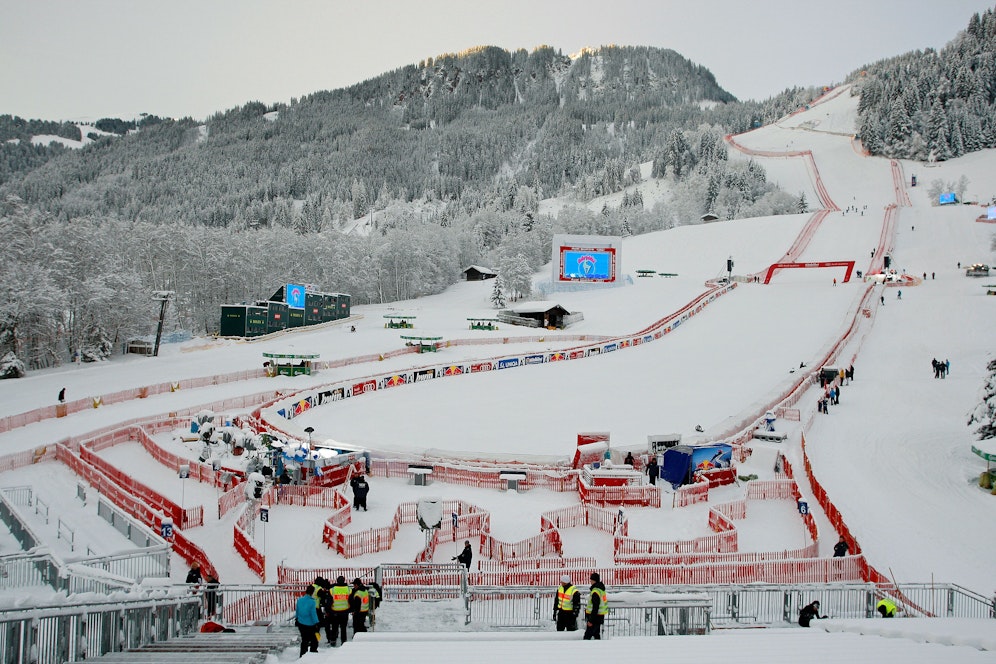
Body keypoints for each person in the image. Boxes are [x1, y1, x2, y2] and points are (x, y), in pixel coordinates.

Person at [295, 586, 320, 656]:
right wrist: (317, 623)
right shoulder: (312, 602)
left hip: (301, 623)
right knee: (314, 640)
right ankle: (313, 654)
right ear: (312, 593)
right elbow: (313, 613)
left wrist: (297, 619)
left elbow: (297, 611)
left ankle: (302, 655)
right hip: (310, 624)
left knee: (304, 640)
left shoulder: (299, 600)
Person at [583, 572, 608, 640]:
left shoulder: (595, 591)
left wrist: (591, 620)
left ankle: (583, 649)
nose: (590, 581)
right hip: (599, 616)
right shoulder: (600, 590)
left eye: (591, 580)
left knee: (587, 636)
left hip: (594, 617)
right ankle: (598, 648)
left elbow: (595, 607)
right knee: (596, 634)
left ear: (594, 580)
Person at [328, 575, 351, 646]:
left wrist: (329, 610)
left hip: (335, 611)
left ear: (337, 581)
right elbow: (351, 600)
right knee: (343, 628)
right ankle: (344, 641)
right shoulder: (348, 589)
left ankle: (333, 641)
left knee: (334, 627)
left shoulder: (332, 590)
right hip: (344, 611)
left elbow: (329, 601)